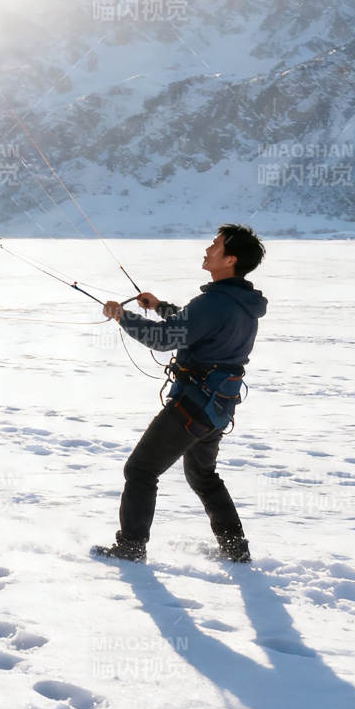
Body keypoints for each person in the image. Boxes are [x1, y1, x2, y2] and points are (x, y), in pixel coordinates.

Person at [93, 224, 268, 564]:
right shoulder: (240, 302)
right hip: (219, 406)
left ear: (230, 260)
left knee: (141, 470)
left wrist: (122, 316)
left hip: (194, 405)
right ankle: (235, 549)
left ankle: (131, 548)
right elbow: (193, 324)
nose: (207, 249)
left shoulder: (214, 302)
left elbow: (164, 339)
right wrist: (160, 307)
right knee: (202, 475)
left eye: (215, 245)